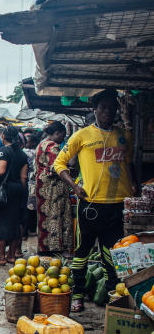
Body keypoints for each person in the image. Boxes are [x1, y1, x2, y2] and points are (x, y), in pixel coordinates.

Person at [53, 89, 135, 312]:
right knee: (83, 251)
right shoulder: (81, 135)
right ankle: (77, 294)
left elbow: (127, 164)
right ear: (95, 110)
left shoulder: (123, 136)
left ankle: (112, 295)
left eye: (112, 107)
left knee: (112, 252)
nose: (108, 111)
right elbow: (59, 164)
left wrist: (133, 188)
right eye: (103, 107)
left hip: (118, 204)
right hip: (90, 204)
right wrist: (75, 186)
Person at [0, 126, 28, 265]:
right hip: (18, 190)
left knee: (1, 222)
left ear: (3, 137)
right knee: (14, 222)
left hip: (4, 190)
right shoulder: (22, 153)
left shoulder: (3, 151)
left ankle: (0, 256)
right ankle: (11, 255)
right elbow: (24, 177)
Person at [34, 121, 74, 256]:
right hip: (53, 187)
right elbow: (56, 168)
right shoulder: (52, 146)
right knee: (57, 216)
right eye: (62, 136)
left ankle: (45, 247)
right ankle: (56, 248)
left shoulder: (41, 144)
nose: (63, 139)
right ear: (57, 133)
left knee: (45, 217)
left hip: (42, 186)